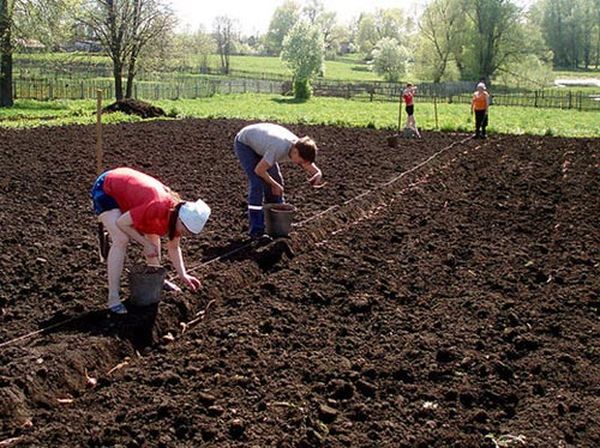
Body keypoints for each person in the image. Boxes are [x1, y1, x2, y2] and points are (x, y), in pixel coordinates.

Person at [91, 167, 211, 314]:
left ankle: (156, 279)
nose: (183, 234)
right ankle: (113, 298)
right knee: (121, 239)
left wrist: (183, 275)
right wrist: (145, 243)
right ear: (180, 219)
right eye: (185, 231)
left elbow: (174, 247)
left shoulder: (177, 216)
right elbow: (121, 223)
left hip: (129, 191)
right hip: (108, 187)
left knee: (153, 230)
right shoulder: (157, 206)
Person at [233, 122, 324, 239]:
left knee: (276, 180)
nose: (299, 165)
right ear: (295, 152)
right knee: (257, 183)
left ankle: (278, 224)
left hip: (263, 144)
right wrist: (274, 185)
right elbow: (259, 170)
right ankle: (256, 230)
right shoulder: (279, 147)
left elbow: (307, 164)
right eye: (300, 162)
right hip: (245, 143)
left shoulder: (298, 147)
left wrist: (317, 173)